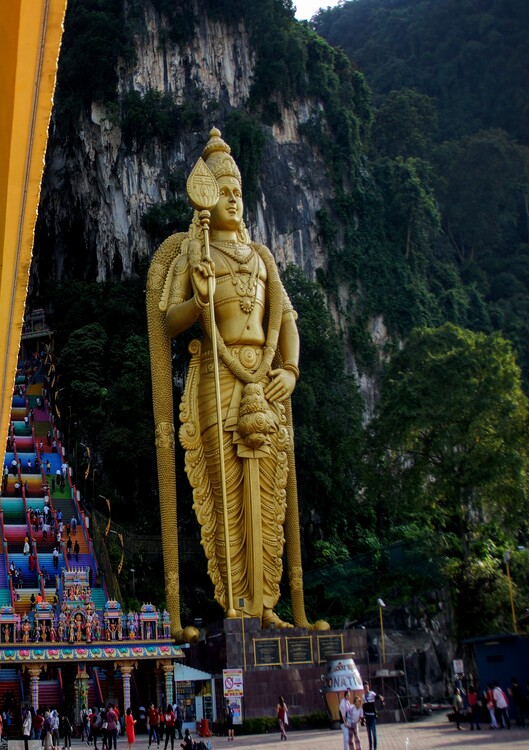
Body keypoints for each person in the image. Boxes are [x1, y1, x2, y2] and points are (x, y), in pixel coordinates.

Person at [148, 128, 326, 629]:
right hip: (215, 379)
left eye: (238, 194)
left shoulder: (263, 259)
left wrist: (288, 370)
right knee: (223, 489)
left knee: (269, 490)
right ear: (207, 199)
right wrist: (198, 298)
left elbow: (287, 320)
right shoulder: (193, 253)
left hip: (265, 378)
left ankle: (269, 603)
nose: (234, 202)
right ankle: (235, 605)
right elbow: (167, 321)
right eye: (224, 193)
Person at [362, 681, 378, 749]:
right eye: (365, 687)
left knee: (374, 732)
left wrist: (380, 697)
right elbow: (363, 707)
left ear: (368, 687)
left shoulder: (372, 693)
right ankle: (370, 747)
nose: (366, 688)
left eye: (367, 687)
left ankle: (375, 747)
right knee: (369, 734)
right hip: (367, 716)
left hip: (372, 716)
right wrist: (363, 717)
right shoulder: (363, 696)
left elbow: (377, 697)